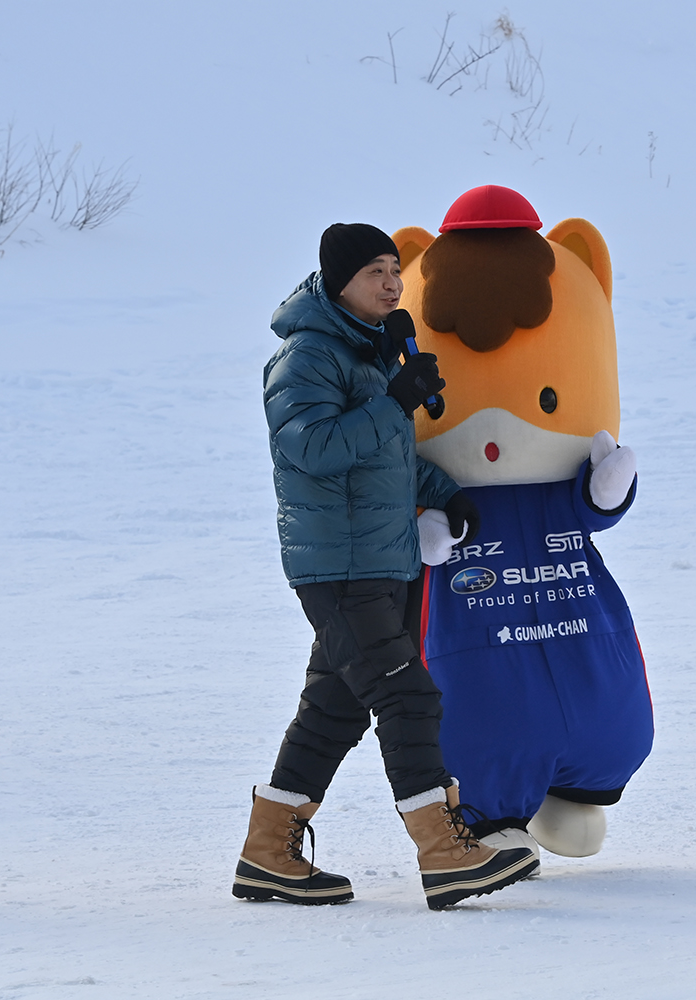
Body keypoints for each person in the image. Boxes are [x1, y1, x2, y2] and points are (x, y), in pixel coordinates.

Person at [232, 223, 538, 910]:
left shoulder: (367, 356)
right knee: (406, 695)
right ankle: (445, 852)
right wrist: (394, 401)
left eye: (395, 270)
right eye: (375, 271)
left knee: (334, 711)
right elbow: (311, 450)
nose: (392, 283)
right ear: (339, 281)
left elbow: (380, 462)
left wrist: (443, 494)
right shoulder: (305, 357)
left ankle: (266, 852)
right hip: (339, 565)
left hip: (379, 559)